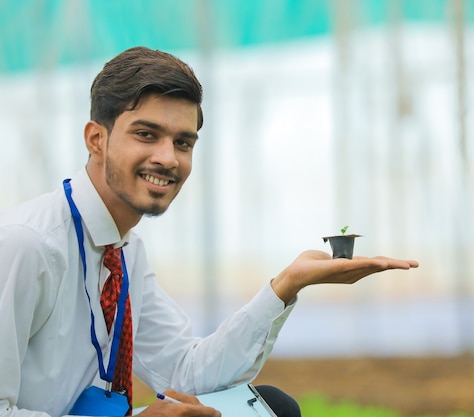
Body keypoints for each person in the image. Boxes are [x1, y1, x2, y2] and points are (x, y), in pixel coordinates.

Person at [0, 46, 419, 417]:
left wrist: (287, 285)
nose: (167, 158)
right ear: (97, 139)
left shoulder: (123, 250)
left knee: (272, 407)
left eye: (183, 143)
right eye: (146, 135)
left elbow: (186, 373)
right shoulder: (28, 244)